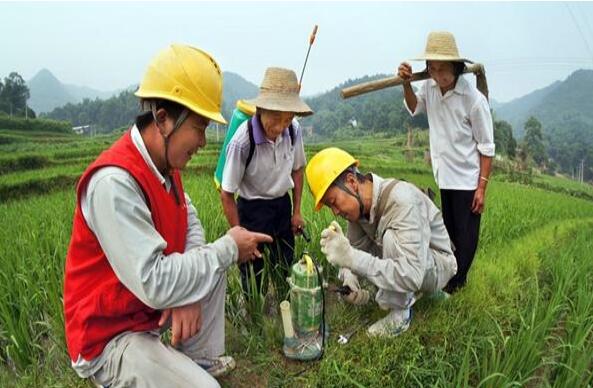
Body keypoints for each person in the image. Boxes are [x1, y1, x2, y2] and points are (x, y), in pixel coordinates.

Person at [63, 44, 272, 388]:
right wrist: (228, 249)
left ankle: (195, 358)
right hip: (111, 336)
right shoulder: (114, 183)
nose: (204, 142)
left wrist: (187, 293)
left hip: (146, 310)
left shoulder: (164, 165)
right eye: (200, 127)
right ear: (163, 119)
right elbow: (155, 282)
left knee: (211, 265)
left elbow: (189, 220)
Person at [306, 147, 457, 337]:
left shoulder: (403, 201)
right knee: (372, 251)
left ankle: (401, 313)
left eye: (334, 201)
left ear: (351, 182)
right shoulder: (359, 211)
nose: (335, 211)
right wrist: (350, 279)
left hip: (438, 265)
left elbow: (411, 274)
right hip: (417, 260)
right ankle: (425, 294)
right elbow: (354, 250)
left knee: (389, 239)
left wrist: (352, 258)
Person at [398, 31, 495, 293]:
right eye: (431, 67)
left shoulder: (473, 100)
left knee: (466, 236)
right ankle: (448, 279)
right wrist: (406, 83)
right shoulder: (429, 87)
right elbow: (415, 107)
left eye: (442, 69)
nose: (437, 74)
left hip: (467, 178)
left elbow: (487, 149)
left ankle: (458, 283)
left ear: (456, 67)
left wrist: (482, 188)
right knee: (447, 233)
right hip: (444, 175)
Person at [220, 67, 312, 298]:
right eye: (275, 118)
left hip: (282, 206)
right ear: (261, 109)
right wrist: (239, 234)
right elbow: (227, 193)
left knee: (284, 266)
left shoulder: (293, 131)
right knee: (253, 273)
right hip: (252, 211)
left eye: (287, 118)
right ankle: (255, 319)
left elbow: (298, 169)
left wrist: (297, 211)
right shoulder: (242, 141)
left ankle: (284, 307)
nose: (280, 126)